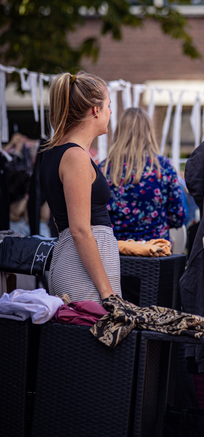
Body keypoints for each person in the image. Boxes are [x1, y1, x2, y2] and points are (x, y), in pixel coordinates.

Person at [40, 71, 121, 304]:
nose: (110, 112)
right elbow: (80, 230)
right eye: (108, 105)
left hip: (75, 263)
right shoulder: (75, 156)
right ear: (95, 110)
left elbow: (62, 222)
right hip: (84, 272)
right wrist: (108, 293)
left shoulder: (56, 153)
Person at [99, 107, 186, 242]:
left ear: (119, 132)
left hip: (114, 253)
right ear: (149, 133)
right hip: (155, 252)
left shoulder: (103, 169)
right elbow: (178, 217)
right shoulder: (163, 167)